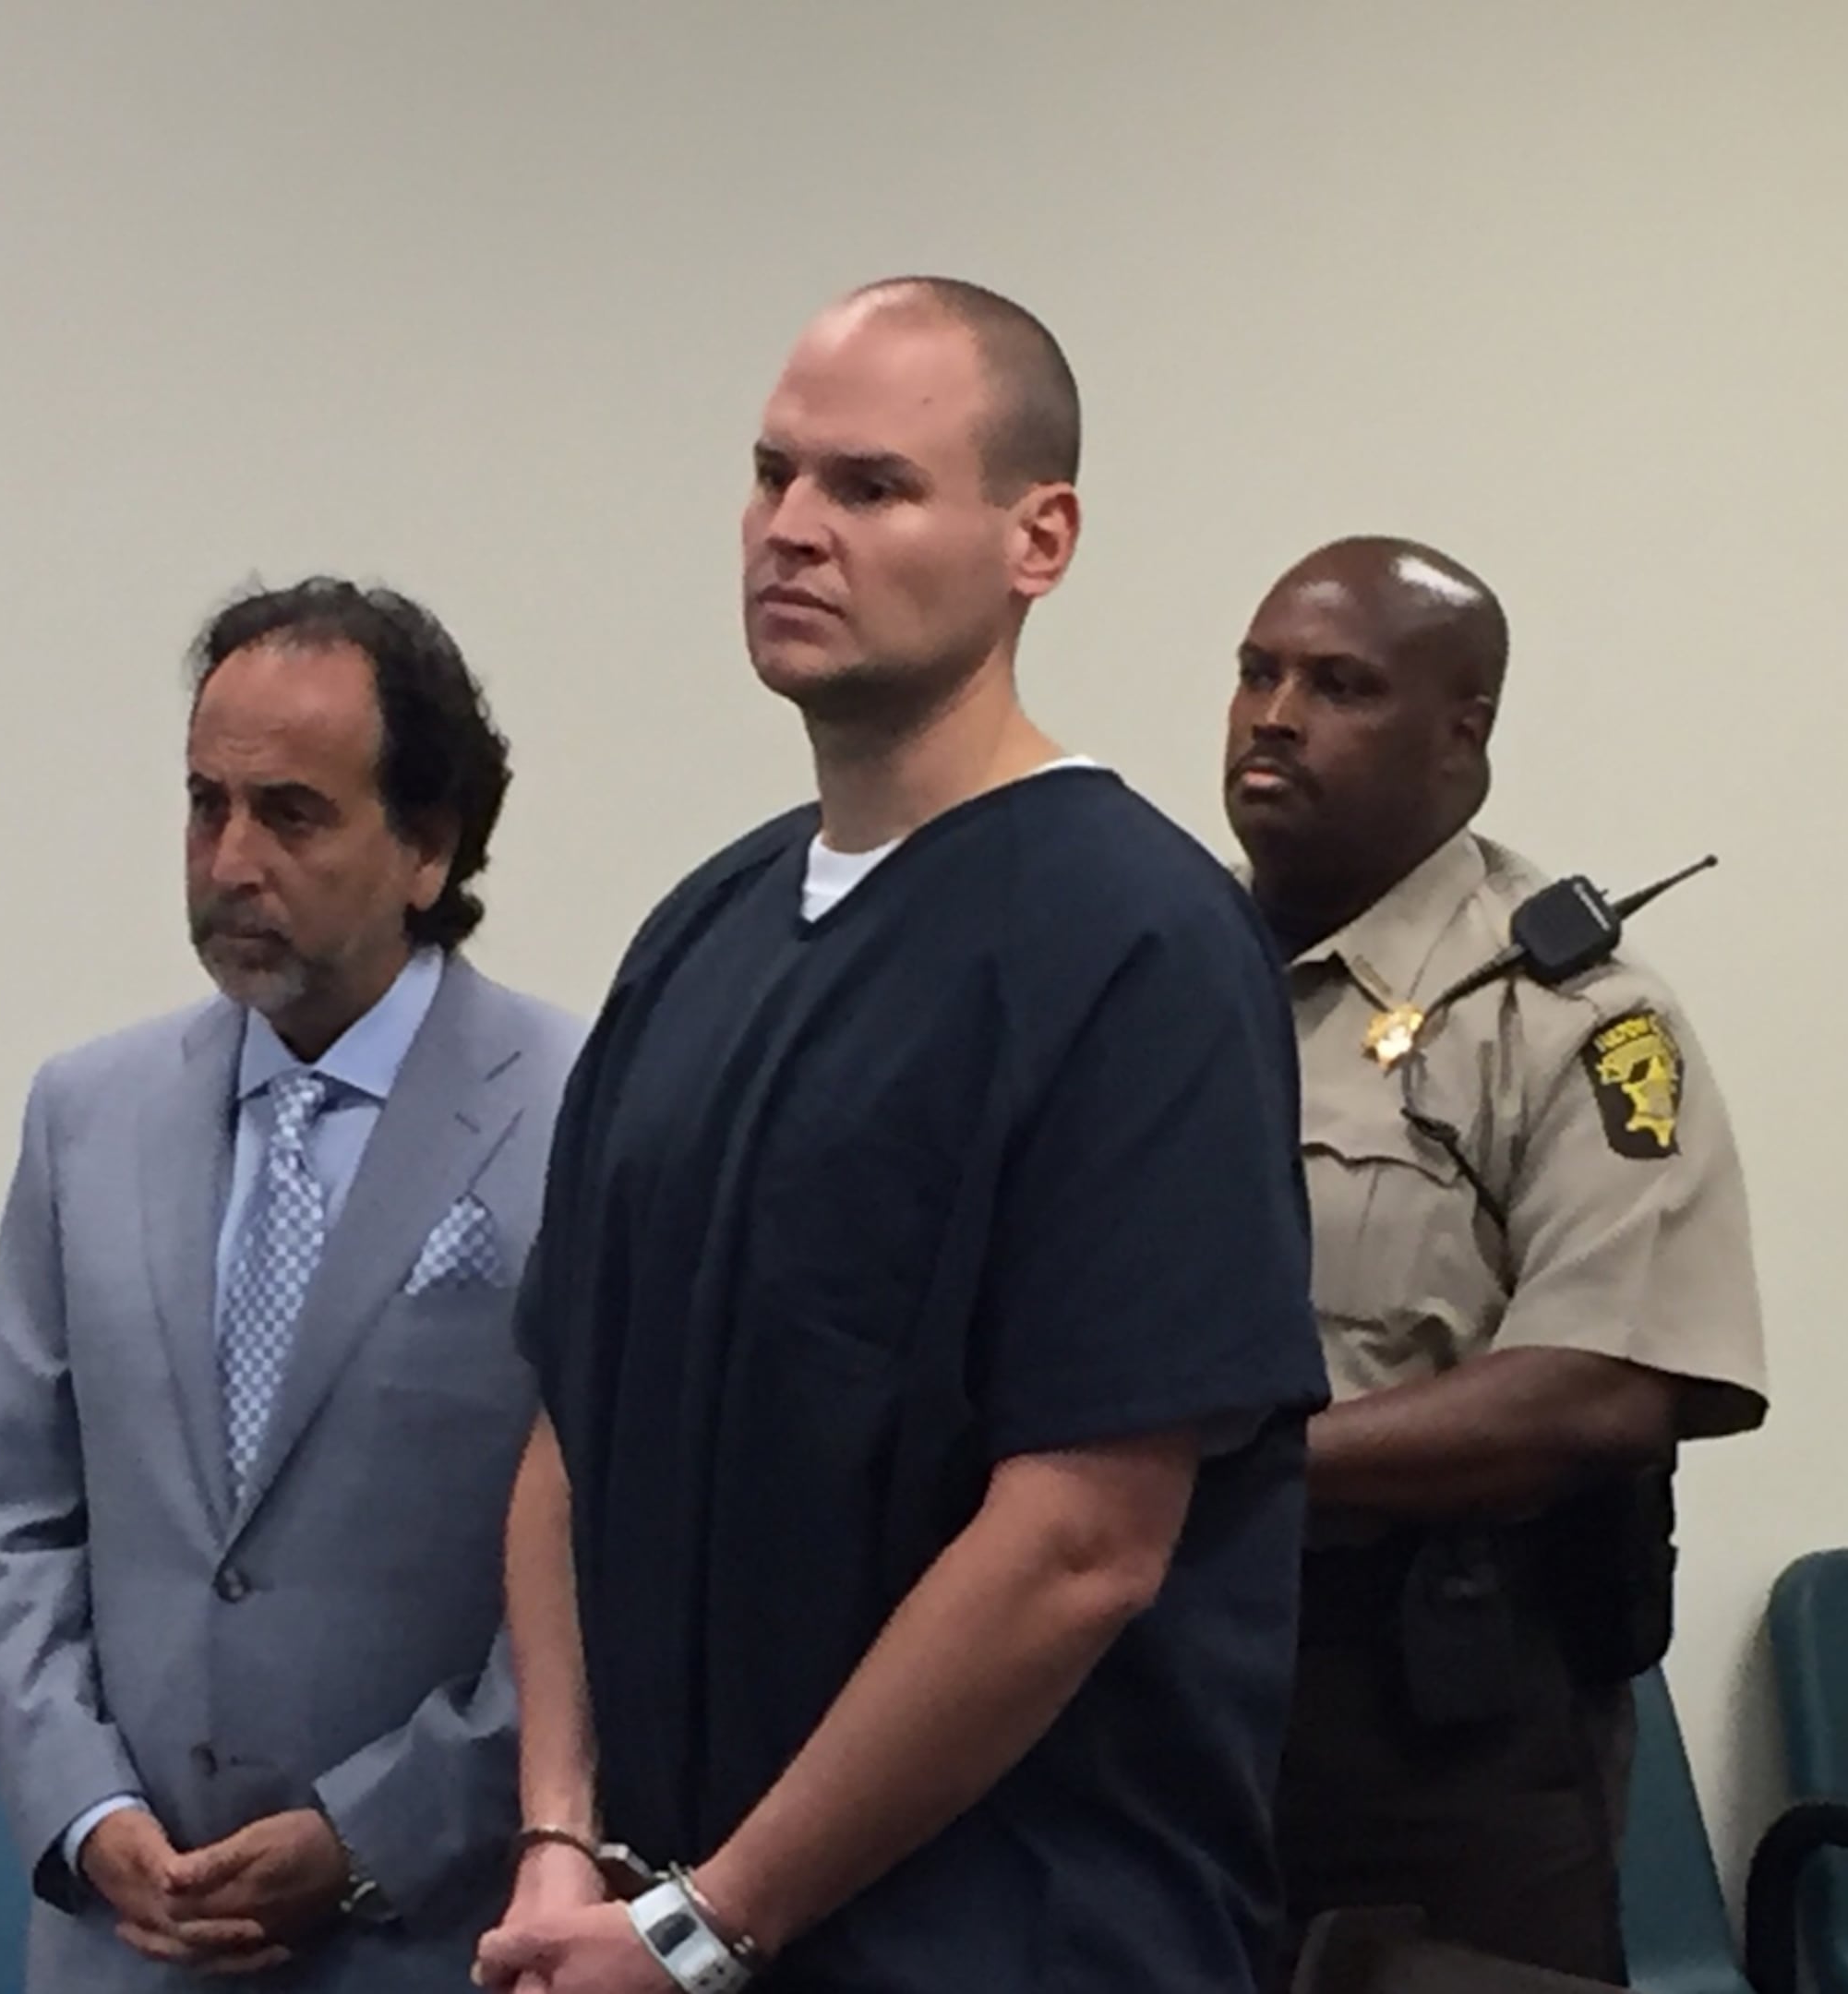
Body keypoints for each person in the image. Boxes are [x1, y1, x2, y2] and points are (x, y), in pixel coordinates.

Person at [471, 279, 1328, 1994]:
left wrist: (716, 1922)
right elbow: (576, 1426)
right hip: (658, 1928)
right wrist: (564, 1838)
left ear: (1041, 536)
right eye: (772, 475)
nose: (791, 529)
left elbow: (1081, 1542)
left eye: (869, 488)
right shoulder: (700, 935)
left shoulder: (1136, 944)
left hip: (1005, 1940)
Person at [0, 577, 584, 1991]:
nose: (231, 860)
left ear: (428, 845)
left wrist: (375, 1829)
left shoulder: (582, 1114)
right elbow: (8, 1509)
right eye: (203, 805)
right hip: (124, 1939)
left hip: (428, 1935)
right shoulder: (86, 1115)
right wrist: (84, 1808)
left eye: (290, 815)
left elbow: (615, 1555)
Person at [1221, 535, 1770, 1982]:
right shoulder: (1150, 971)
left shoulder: (1575, 1020)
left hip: (1434, 1720)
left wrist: (1237, 1467)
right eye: (1257, 672)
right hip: (1161, 1684)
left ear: (1462, 732)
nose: (1274, 714)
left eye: (1339, 685)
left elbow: (1599, 1388)